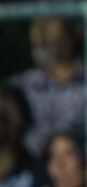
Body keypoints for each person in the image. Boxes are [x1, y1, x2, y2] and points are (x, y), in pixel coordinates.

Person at [16, 10, 85, 159]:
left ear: (76, 30)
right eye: (36, 22)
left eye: (50, 21)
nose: (40, 31)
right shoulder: (22, 86)